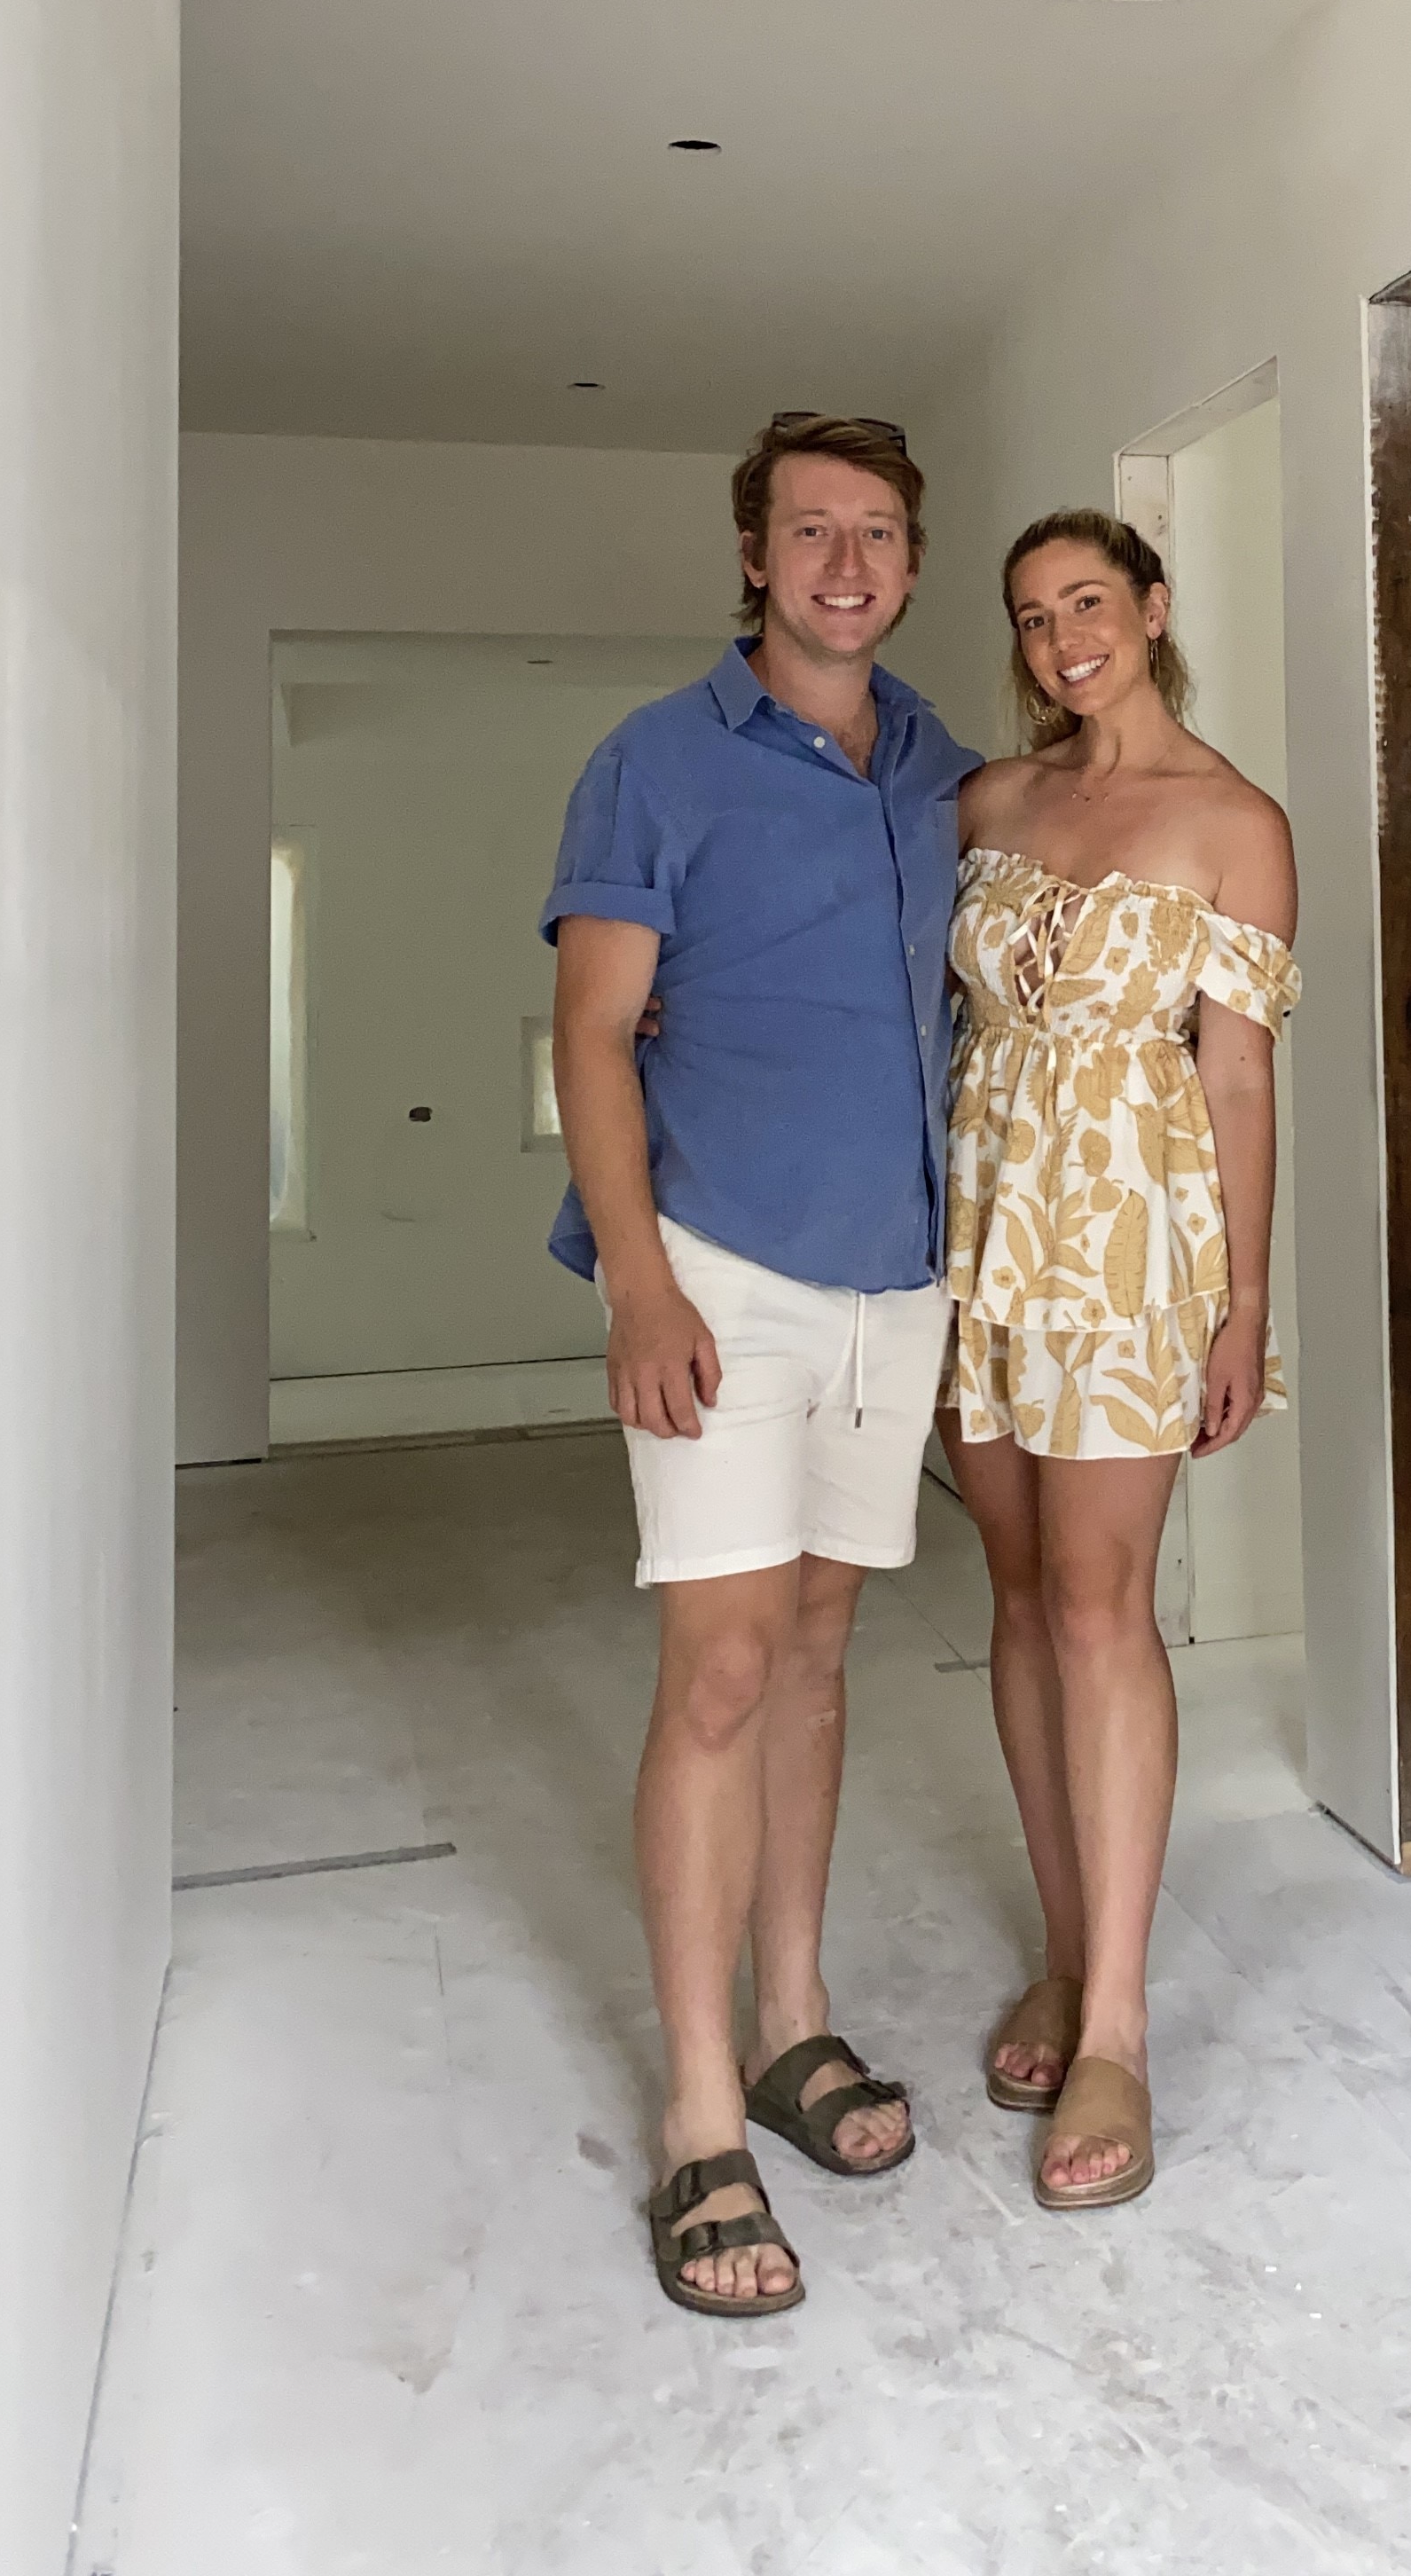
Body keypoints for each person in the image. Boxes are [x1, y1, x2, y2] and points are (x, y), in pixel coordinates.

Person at [544, 411, 978, 2320]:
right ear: (753, 555)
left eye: (877, 532)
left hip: (897, 1278)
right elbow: (592, 1033)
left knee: (814, 1652)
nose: (845, 563)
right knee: (720, 1667)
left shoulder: (938, 768)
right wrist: (641, 1288)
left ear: (910, 561)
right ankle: (701, 2110)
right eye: (811, 530)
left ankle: (795, 2021)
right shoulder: (653, 762)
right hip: (721, 1270)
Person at [941, 508, 1299, 2211]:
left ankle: (1118, 2033)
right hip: (980, 1235)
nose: (1061, 637)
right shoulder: (991, 803)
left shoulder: (1235, 824)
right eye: (1031, 616)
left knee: (1102, 1605)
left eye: (1087, 601)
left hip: (1132, 1249)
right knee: (1015, 1594)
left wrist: (1245, 1304)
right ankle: (1066, 1947)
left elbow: (1236, 1075)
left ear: (1152, 608)